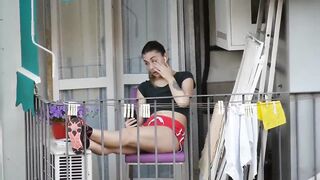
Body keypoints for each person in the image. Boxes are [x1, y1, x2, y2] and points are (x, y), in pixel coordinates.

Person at [67, 41, 195, 155]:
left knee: (128, 136)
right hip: (148, 129)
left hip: (170, 131)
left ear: (165, 57)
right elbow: (141, 120)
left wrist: (169, 77)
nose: (151, 67)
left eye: (154, 60)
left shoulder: (184, 77)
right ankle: (85, 142)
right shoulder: (144, 88)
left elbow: (183, 102)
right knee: (111, 148)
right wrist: (132, 124)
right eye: (147, 63)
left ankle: (85, 130)